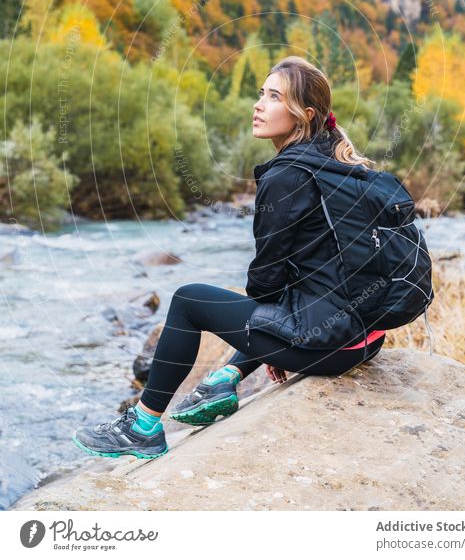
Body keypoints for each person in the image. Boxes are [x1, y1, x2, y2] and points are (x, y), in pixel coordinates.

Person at [72, 56, 386, 459]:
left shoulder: (286, 176)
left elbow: (265, 286)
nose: (258, 105)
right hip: (366, 339)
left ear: (303, 115)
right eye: (261, 94)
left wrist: (281, 339)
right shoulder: (339, 165)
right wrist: (267, 344)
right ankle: (226, 376)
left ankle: (143, 426)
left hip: (328, 348)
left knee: (189, 300)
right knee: (276, 308)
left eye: (274, 97)